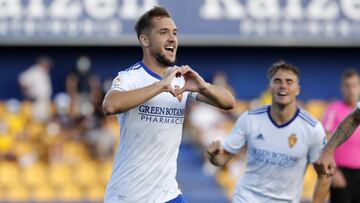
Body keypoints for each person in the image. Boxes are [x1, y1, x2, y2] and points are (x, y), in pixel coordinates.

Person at [101, 6, 235, 203]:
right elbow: (109, 105)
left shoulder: (180, 78)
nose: (172, 38)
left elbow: (228, 102)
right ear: (144, 40)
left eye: (174, 33)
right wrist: (160, 86)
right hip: (128, 195)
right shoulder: (130, 77)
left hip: (168, 195)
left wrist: (203, 87)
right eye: (163, 33)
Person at [207, 61, 330, 203]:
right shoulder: (250, 119)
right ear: (270, 88)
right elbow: (222, 159)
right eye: (277, 81)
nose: (283, 86)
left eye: (289, 82)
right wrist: (214, 157)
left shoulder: (312, 128)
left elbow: (324, 174)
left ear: (297, 89)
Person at [321, 70, 360, 203]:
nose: (351, 90)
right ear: (341, 88)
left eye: (354, 85)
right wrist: (335, 171)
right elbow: (324, 139)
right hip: (342, 172)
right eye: (347, 86)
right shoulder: (334, 109)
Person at [18, 56, 52, 122]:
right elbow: (22, 80)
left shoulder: (44, 72)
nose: (48, 66)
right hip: (36, 101)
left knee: (44, 120)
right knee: (37, 121)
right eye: (46, 64)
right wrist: (27, 93)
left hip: (44, 100)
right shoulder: (34, 71)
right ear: (42, 63)